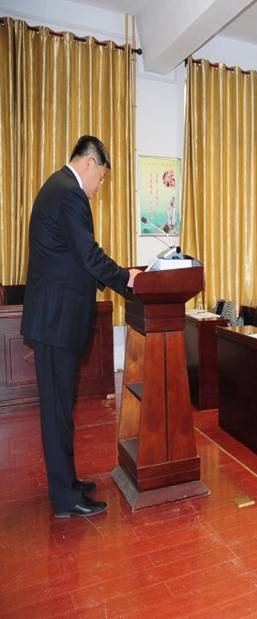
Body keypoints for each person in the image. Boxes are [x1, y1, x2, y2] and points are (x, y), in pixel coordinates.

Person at [21, 135, 142, 518]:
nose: (99, 186)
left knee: (61, 408)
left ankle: (67, 484)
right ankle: (64, 498)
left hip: (53, 320)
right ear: (89, 163)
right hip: (56, 321)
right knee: (57, 410)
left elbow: (75, 257)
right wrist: (126, 278)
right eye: (101, 177)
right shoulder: (69, 194)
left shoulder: (57, 188)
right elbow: (88, 255)